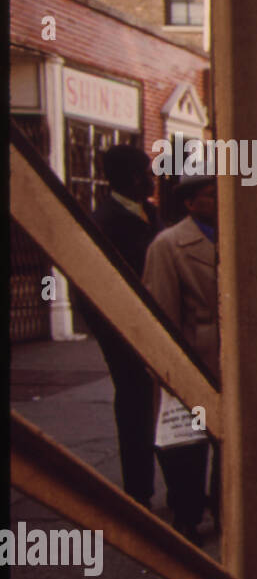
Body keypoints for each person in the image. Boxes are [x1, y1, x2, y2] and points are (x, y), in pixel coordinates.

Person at [76, 144, 161, 510]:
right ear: (131, 177)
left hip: (159, 325)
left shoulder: (153, 213)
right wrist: (115, 332)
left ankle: (181, 489)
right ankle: (138, 493)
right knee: (135, 401)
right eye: (147, 172)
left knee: (166, 403)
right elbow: (89, 287)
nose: (153, 178)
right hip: (124, 329)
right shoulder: (104, 222)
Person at [142, 172, 220, 545]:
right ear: (189, 203)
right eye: (210, 195)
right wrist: (167, 366)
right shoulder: (168, 245)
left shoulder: (237, 238)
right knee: (186, 442)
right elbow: (162, 312)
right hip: (194, 357)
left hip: (235, 361)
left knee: (235, 442)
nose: (219, 202)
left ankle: (227, 509)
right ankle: (187, 515)